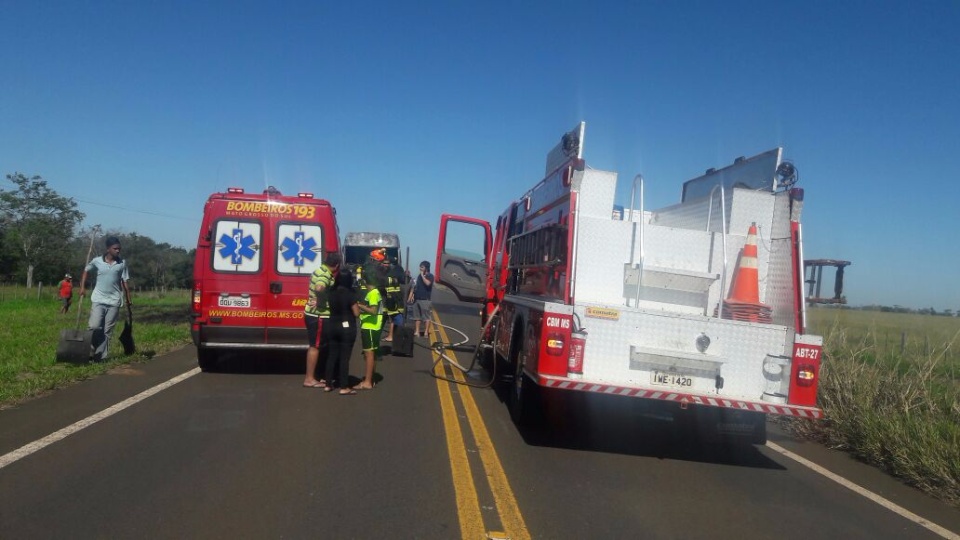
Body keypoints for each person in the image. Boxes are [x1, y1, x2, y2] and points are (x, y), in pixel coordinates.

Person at [78, 236, 132, 361]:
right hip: (98, 299)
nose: (118, 251)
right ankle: (89, 348)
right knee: (94, 326)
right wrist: (82, 287)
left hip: (114, 301)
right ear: (108, 249)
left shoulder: (122, 263)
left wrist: (128, 298)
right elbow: (86, 270)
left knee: (107, 330)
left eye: (119, 249)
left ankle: (100, 357)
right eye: (115, 248)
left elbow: (124, 281)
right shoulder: (97, 261)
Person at [303, 252, 341, 388]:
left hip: (312, 314)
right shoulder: (325, 275)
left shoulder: (319, 270)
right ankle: (309, 379)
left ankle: (317, 375)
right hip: (318, 315)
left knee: (318, 345)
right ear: (336, 265)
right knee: (315, 346)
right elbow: (319, 287)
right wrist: (320, 299)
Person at [323, 268, 360, 395]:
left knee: (332, 355)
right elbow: (356, 313)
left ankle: (328, 384)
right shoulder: (350, 293)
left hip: (332, 325)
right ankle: (344, 386)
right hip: (347, 327)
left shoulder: (331, 292)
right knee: (344, 357)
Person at [356, 266, 386, 390]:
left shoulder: (373, 293)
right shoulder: (375, 292)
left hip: (371, 326)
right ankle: (370, 378)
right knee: (371, 353)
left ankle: (367, 382)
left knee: (369, 354)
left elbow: (373, 311)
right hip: (371, 326)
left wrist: (359, 305)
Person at [380, 257, 405, 342]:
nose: (386, 265)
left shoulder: (392, 274)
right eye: (384, 263)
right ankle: (392, 336)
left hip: (391, 300)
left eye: (388, 263)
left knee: (395, 318)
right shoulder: (392, 272)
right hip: (386, 300)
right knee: (389, 319)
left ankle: (396, 336)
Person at [407, 260, 434, 338]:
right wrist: (412, 296)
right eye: (420, 267)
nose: (420, 268)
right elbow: (415, 287)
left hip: (425, 299)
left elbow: (427, 283)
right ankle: (417, 331)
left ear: (426, 268)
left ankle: (426, 332)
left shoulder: (430, 276)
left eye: (422, 267)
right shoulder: (418, 276)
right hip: (417, 299)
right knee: (417, 316)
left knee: (426, 317)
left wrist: (422, 275)